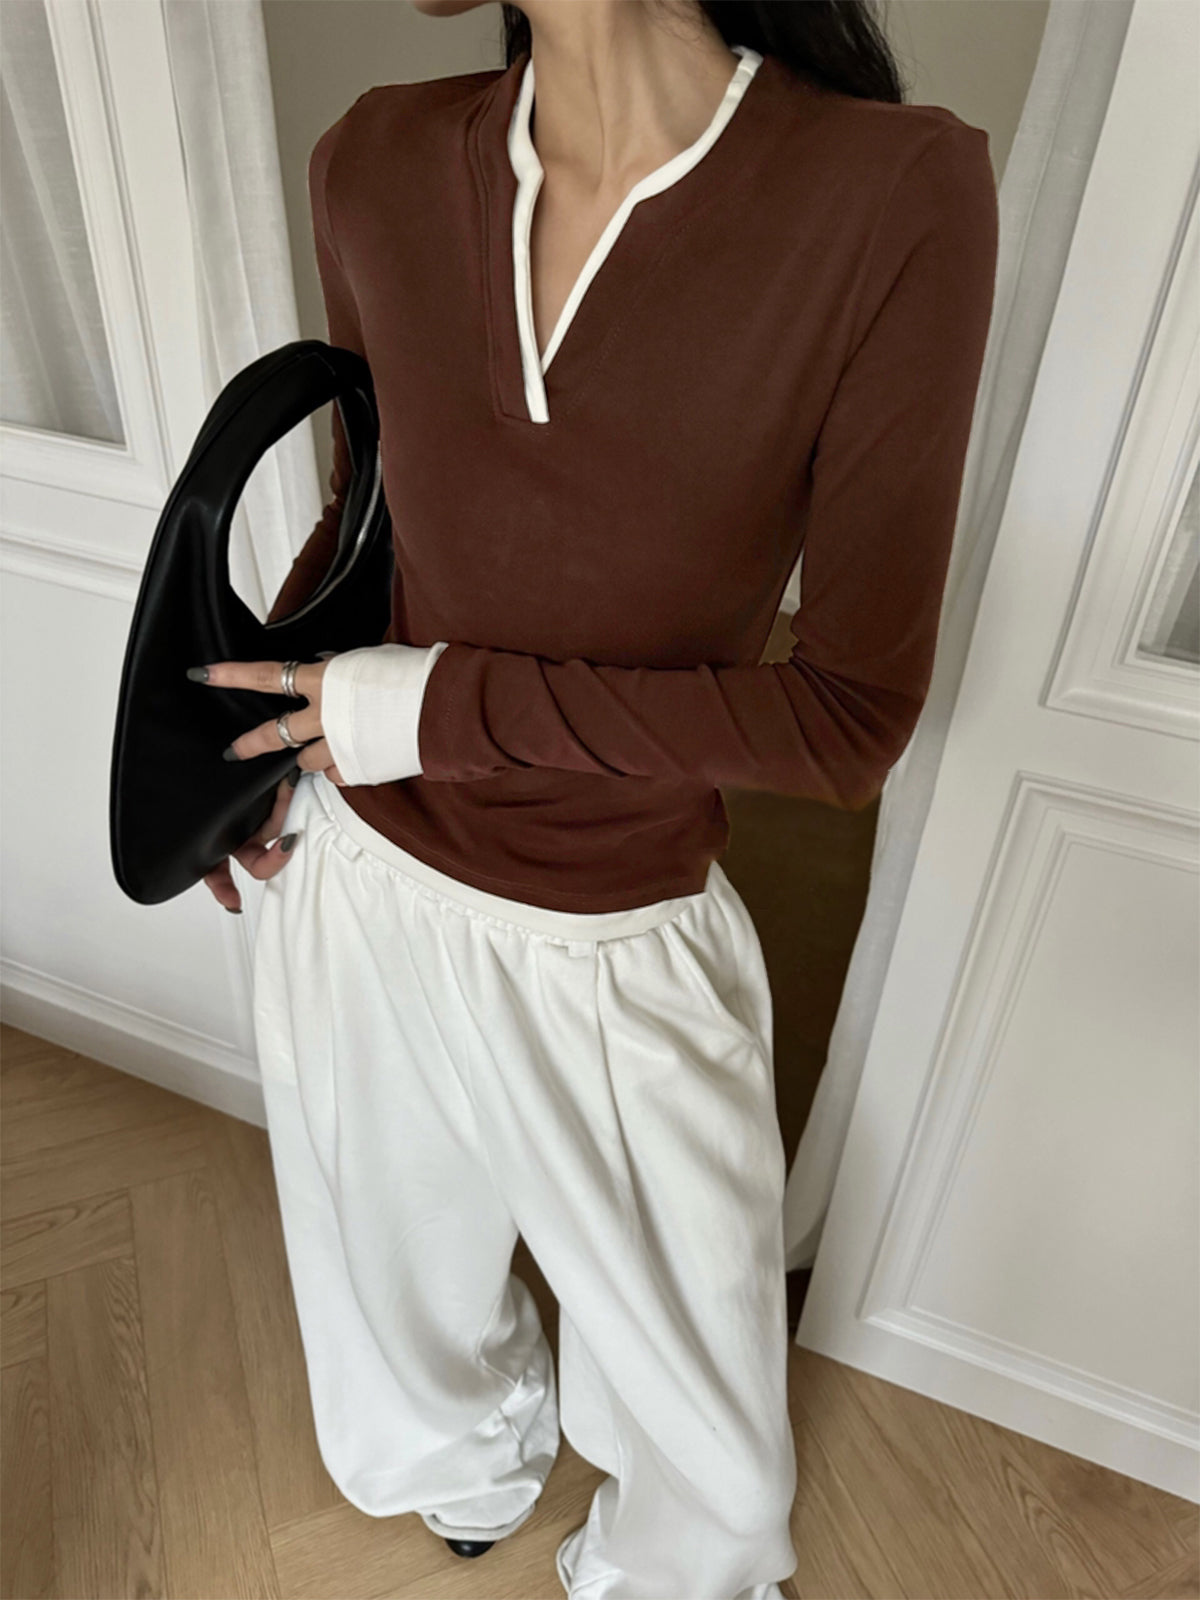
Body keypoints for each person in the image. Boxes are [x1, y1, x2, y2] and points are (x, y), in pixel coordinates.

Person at [193, 2, 998, 1595]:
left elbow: (848, 721)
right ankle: (464, 1458)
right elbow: (367, 525)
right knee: (391, 1288)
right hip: (354, 877)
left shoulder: (894, 190)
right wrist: (248, 751)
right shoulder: (372, 158)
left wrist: (429, 710)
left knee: (718, 1466)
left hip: (614, 924)